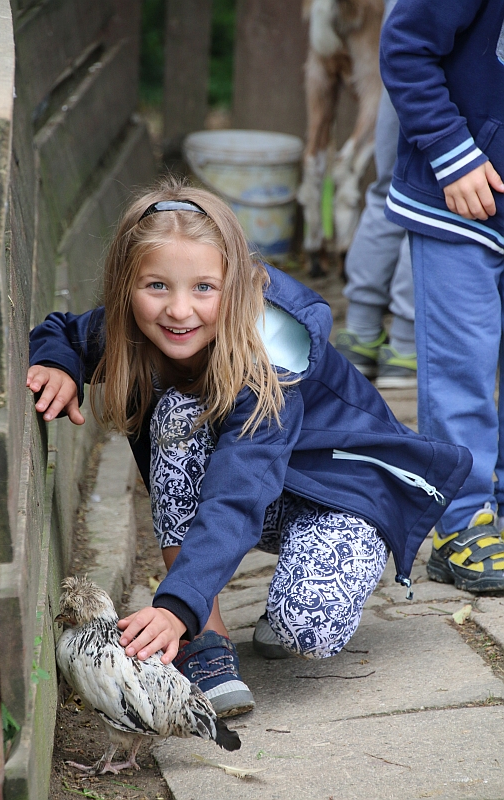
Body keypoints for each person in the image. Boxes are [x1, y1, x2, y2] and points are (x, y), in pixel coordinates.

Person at [27, 179, 471, 718]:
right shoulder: (135, 328)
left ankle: (217, 604)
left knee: (307, 626)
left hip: (341, 491)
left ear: (235, 285)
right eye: (157, 286)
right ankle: (205, 641)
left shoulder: (272, 358)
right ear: (126, 286)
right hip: (266, 489)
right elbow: (63, 330)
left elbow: (237, 492)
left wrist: (173, 604)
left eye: (204, 288)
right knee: (180, 413)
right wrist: (59, 364)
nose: (180, 310)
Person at [380, 0, 504, 592]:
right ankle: (462, 524)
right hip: (461, 202)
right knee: (463, 369)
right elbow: (405, 48)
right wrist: (453, 155)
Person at [335, 0, 416, 390]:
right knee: (439, 204)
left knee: (389, 189)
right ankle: (406, 346)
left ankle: (361, 335)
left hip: (403, 34)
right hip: (453, 54)